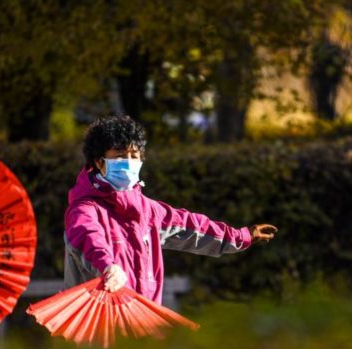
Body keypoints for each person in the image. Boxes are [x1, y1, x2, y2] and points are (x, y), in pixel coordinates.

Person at [64, 115, 277, 302]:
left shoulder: (148, 211)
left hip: (141, 324)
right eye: (119, 155)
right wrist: (108, 267)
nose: (128, 162)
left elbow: (192, 226)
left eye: (134, 156)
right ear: (99, 162)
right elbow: (88, 237)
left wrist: (242, 236)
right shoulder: (85, 209)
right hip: (97, 328)